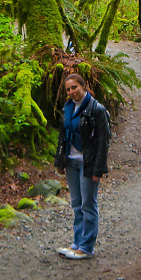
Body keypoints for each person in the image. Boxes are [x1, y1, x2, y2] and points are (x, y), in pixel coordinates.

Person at [53, 73, 110, 260]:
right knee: (76, 204)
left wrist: (98, 169)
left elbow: (103, 141)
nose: (71, 92)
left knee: (88, 205)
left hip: (88, 163)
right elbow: (63, 136)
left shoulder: (96, 109)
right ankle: (77, 243)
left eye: (74, 88)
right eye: (68, 89)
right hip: (71, 162)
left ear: (83, 87)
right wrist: (60, 162)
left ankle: (86, 248)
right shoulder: (68, 108)